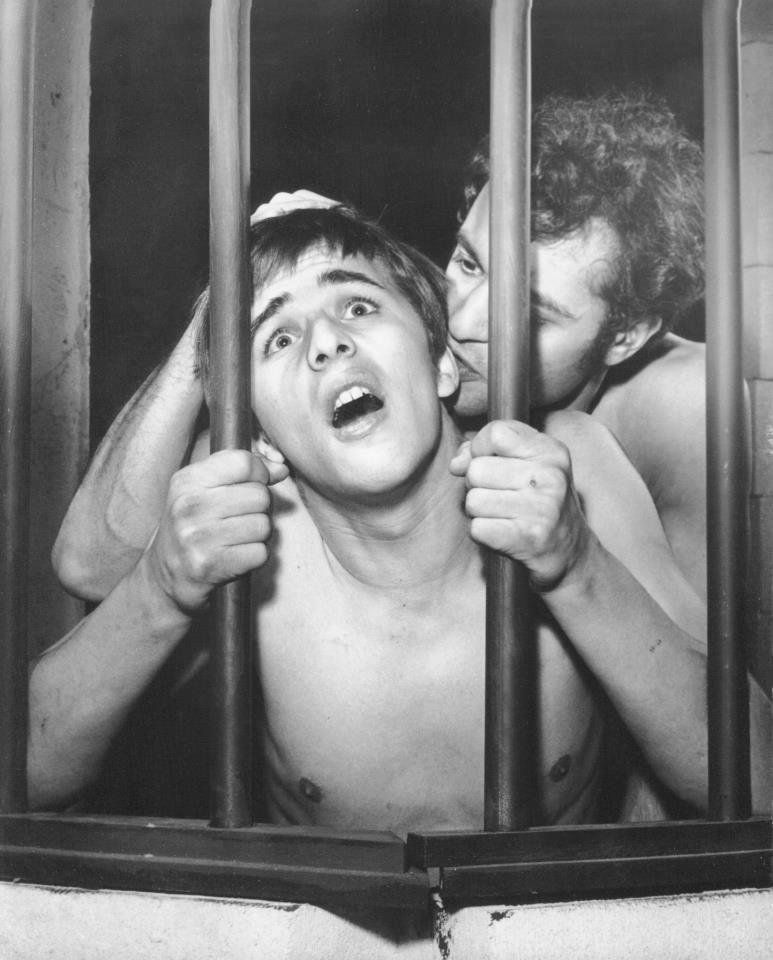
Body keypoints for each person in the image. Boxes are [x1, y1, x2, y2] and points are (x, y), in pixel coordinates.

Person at [30, 207, 759, 831]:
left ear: (442, 362)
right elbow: (26, 773)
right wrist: (160, 589)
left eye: (357, 306)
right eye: (276, 337)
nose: (325, 342)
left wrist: (578, 566)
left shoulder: (565, 462)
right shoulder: (248, 525)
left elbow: (757, 779)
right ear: (260, 436)